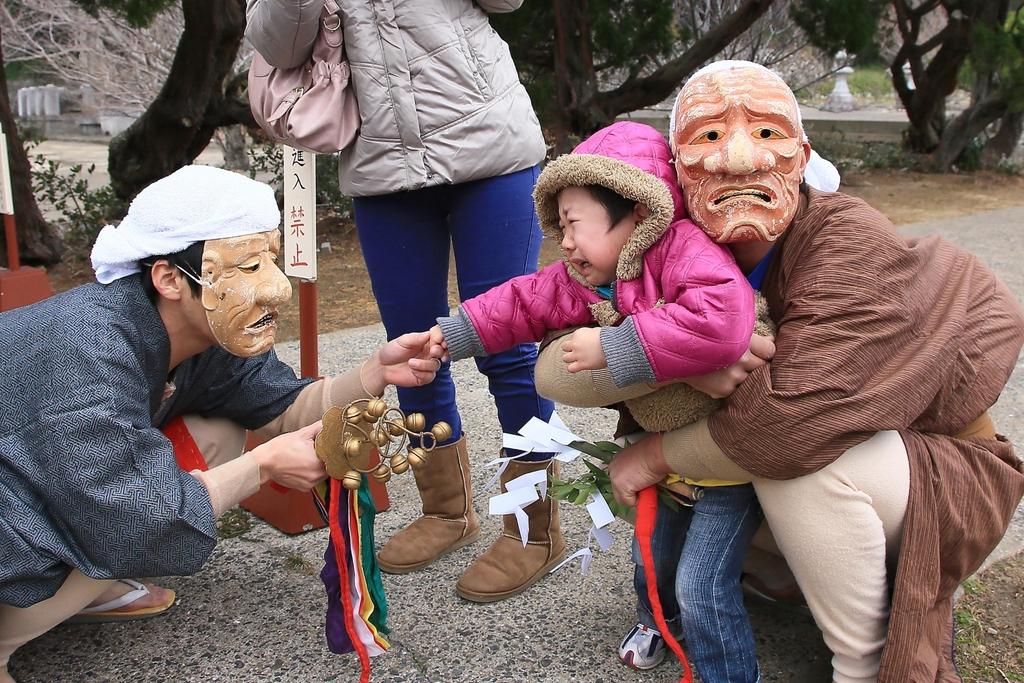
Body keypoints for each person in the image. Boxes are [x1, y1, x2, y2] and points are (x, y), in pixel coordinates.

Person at [533, 61, 1024, 682]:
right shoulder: (665, 247)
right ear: (678, 173)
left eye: (766, 133)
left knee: (798, 465)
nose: (739, 158)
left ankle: (867, 665)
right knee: (709, 460)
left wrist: (656, 454)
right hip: (794, 455)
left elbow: (794, 422)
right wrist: (686, 360)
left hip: (934, 471)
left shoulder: (844, 236)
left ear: (801, 153)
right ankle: (787, 582)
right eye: (709, 138)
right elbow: (555, 365)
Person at [0, 166, 442, 683]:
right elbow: (128, 513)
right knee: (123, 513)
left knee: (216, 427)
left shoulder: (201, 332)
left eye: (271, 261)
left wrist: (372, 373)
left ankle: (88, 584)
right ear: (169, 279)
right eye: (249, 266)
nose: (277, 289)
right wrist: (262, 466)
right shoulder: (86, 345)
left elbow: (282, 406)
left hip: (45, 482)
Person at [429, 120, 769, 680]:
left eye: (574, 224)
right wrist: (455, 334)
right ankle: (657, 621)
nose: (563, 241)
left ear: (636, 212)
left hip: (722, 453)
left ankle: (729, 671)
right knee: (650, 556)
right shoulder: (585, 278)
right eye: (557, 226)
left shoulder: (685, 248)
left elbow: (724, 322)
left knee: (702, 581)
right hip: (656, 443)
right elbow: (521, 302)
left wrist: (614, 345)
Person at [245, 0, 558, 601]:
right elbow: (279, 46)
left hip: (490, 149)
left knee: (509, 347)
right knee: (412, 349)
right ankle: (447, 511)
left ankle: (533, 529)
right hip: (382, 165)